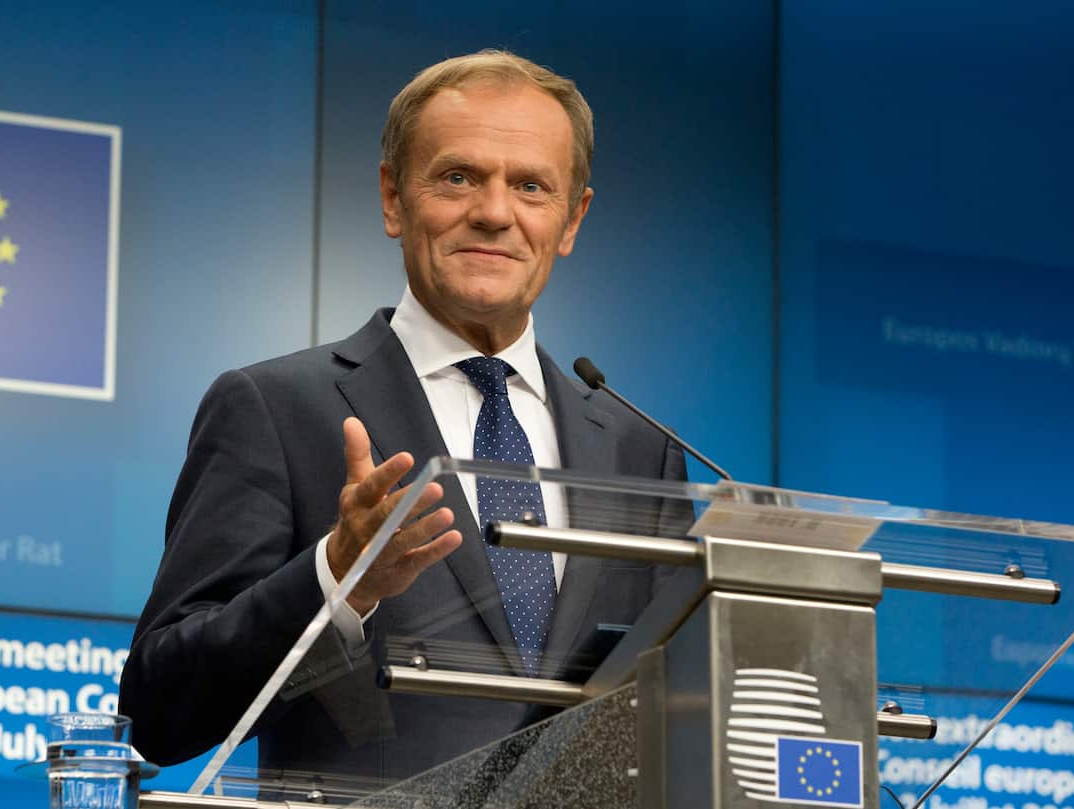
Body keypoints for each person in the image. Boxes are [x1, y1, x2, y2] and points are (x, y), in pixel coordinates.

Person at [119, 49, 688, 795]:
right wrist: (336, 579)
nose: (493, 210)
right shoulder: (277, 409)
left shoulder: (642, 452)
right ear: (394, 198)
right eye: (458, 177)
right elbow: (159, 707)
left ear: (572, 217)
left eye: (530, 185)